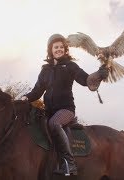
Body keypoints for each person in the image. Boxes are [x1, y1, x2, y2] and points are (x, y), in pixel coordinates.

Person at [21, 34, 109, 175]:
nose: (59, 49)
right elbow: (37, 91)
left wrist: (99, 74)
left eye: (61, 47)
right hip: (48, 111)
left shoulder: (70, 66)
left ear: (65, 49)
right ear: (51, 50)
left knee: (54, 124)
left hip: (66, 110)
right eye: (56, 47)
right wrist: (25, 98)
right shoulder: (45, 70)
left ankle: (69, 164)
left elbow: (85, 79)